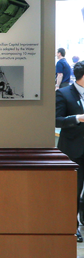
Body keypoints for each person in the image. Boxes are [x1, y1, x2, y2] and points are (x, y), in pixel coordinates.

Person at [56, 59, 84, 242]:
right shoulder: (63, 93)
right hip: (74, 150)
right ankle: (72, 227)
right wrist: (77, 118)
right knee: (74, 190)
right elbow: (56, 120)